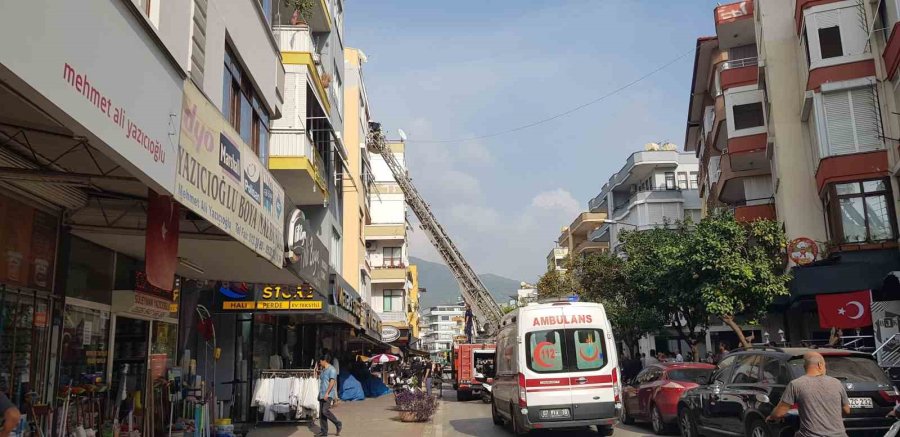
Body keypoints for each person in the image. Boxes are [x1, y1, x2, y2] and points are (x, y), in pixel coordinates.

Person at [766, 352, 849, 437]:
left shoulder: (796, 384)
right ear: (820, 365)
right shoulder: (837, 383)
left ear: (805, 367)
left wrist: (771, 418)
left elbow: (779, 413)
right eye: (825, 365)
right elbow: (846, 410)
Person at [317, 353, 343, 437]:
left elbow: (332, 382)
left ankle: (338, 423)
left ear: (324, 361)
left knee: (325, 411)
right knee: (322, 413)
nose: (320, 363)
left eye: (320, 361)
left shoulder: (332, 370)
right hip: (321, 393)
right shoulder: (323, 370)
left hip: (328, 394)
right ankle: (324, 432)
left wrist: (327, 393)